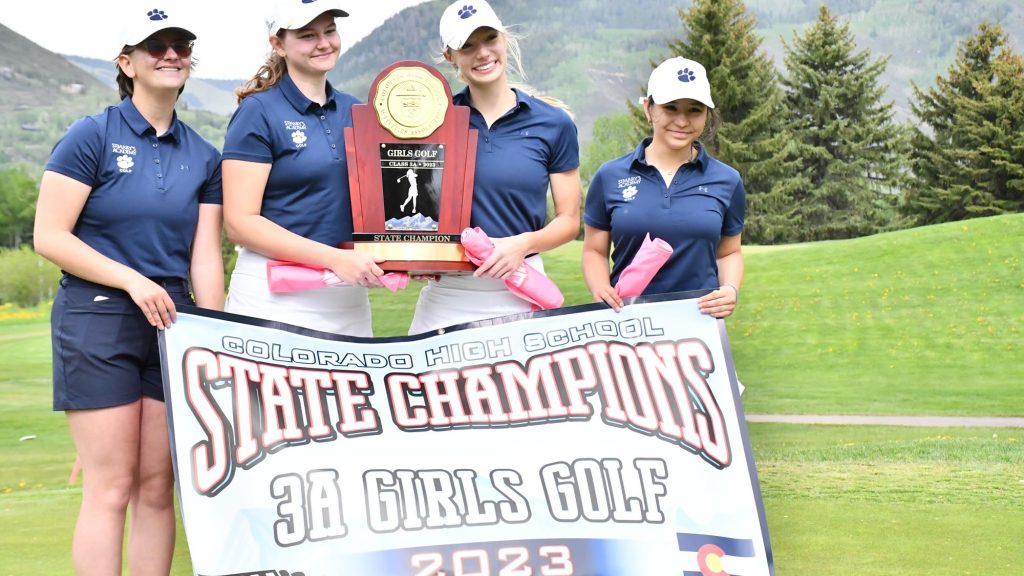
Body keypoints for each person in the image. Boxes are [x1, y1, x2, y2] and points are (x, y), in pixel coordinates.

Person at [32, 7, 223, 575]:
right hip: (98, 316)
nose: (170, 54)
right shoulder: (92, 134)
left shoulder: (204, 154)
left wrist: (214, 336)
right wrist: (131, 279)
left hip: (174, 323)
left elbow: (205, 255)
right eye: (154, 46)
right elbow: (49, 236)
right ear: (127, 63)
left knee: (157, 486)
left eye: (180, 45)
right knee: (111, 487)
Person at [408, 0, 582, 334]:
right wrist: (412, 254)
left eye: (489, 39)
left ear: (504, 39)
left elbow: (568, 222)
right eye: (467, 46)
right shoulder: (432, 120)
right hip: (448, 296)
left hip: (522, 287)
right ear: (450, 57)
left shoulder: (553, 123)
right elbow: (415, 203)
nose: (483, 53)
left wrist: (521, 244)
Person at [222, 0, 383, 336]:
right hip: (273, 297)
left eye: (329, 31)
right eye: (308, 35)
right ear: (278, 45)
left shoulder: (357, 111)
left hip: (346, 298)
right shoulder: (258, 112)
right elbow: (240, 223)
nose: (324, 43)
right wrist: (334, 259)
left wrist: (418, 253)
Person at [582, 56, 745, 318]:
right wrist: (600, 287)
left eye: (694, 110)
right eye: (670, 108)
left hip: (699, 329)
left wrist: (730, 289)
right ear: (648, 109)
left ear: (706, 114)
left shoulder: (727, 180)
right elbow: (594, 250)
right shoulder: (610, 176)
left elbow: (729, 253)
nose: (682, 121)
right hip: (628, 324)